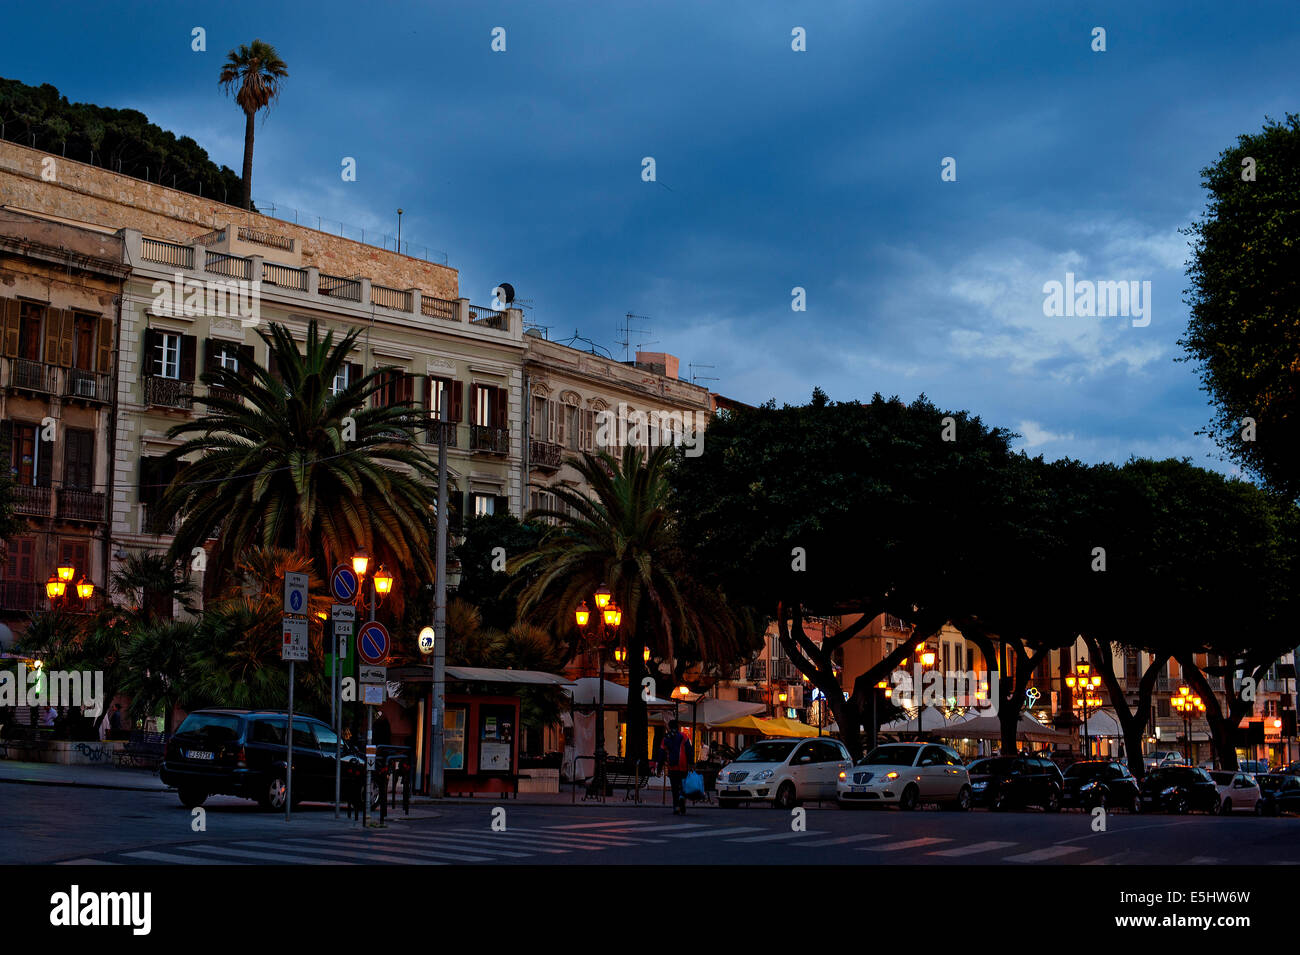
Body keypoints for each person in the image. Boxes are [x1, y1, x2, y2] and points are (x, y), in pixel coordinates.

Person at [658, 720, 694, 815]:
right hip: (683, 766)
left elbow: (661, 754)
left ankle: (676, 806)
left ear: (669, 727)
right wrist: (691, 763)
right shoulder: (683, 736)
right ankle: (682, 797)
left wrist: (659, 768)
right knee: (682, 785)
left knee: (674, 787)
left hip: (672, 766)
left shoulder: (666, 739)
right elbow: (689, 751)